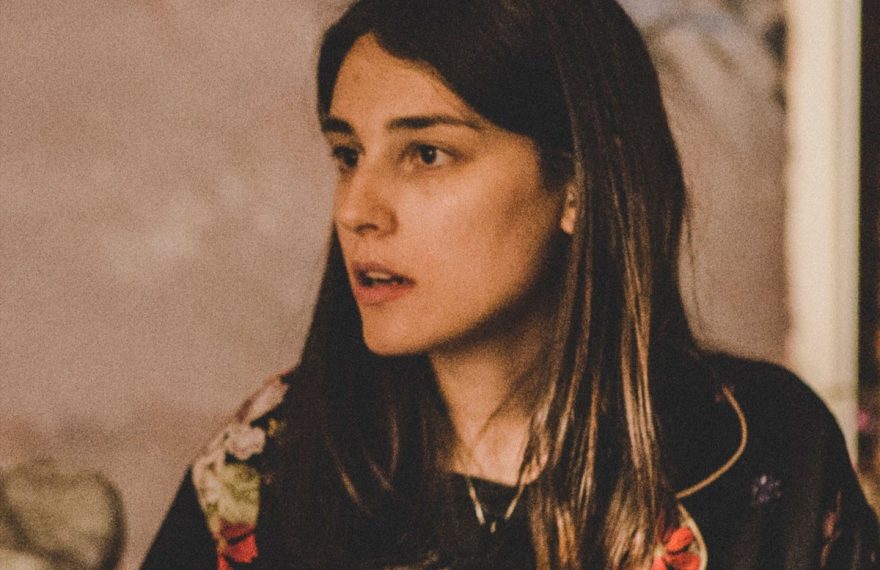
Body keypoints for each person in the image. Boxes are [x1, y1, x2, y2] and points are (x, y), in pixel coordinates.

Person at [143, 0, 880, 568]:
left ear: (579, 183)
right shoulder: (268, 463)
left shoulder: (767, 455)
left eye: (426, 154)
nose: (356, 210)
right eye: (347, 154)